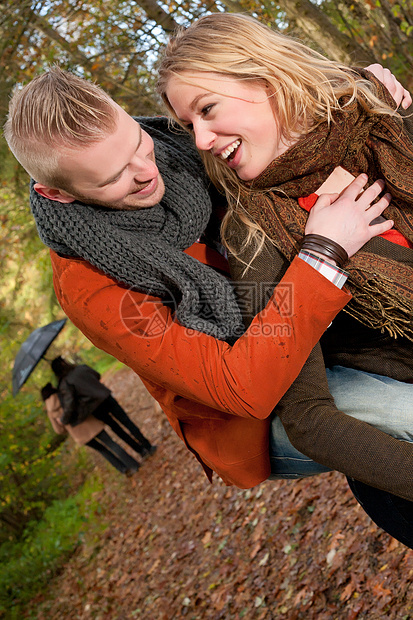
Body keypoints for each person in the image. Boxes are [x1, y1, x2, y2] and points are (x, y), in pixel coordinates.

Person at [4, 67, 413, 548]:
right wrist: (321, 254)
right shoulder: (91, 288)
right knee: (394, 409)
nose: (145, 171)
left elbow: (272, 117)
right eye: (115, 177)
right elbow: (244, 390)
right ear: (57, 192)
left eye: (138, 142)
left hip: (324, 338)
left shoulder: (180, 144)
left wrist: (358, 86)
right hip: (252, 417)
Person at [50, 356, 156, 459]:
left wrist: (64, 420)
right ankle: (148, 446)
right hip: (106, 397)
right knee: (127, 422)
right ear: (64, 363)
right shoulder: (81, 368)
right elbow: (97, 375)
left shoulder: (66, 383)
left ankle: (141, 451)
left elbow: (70, 403)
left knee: (117, 429)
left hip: (95, 409)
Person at [41, 382, 141, 475]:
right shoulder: (64, 395)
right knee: (111, 444)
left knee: (102, 451)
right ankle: (133, 465)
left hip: (79, 435)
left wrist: (64, 425)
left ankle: (123, 469)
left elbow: (59, 430)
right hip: (91, 424)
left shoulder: (50, 412)